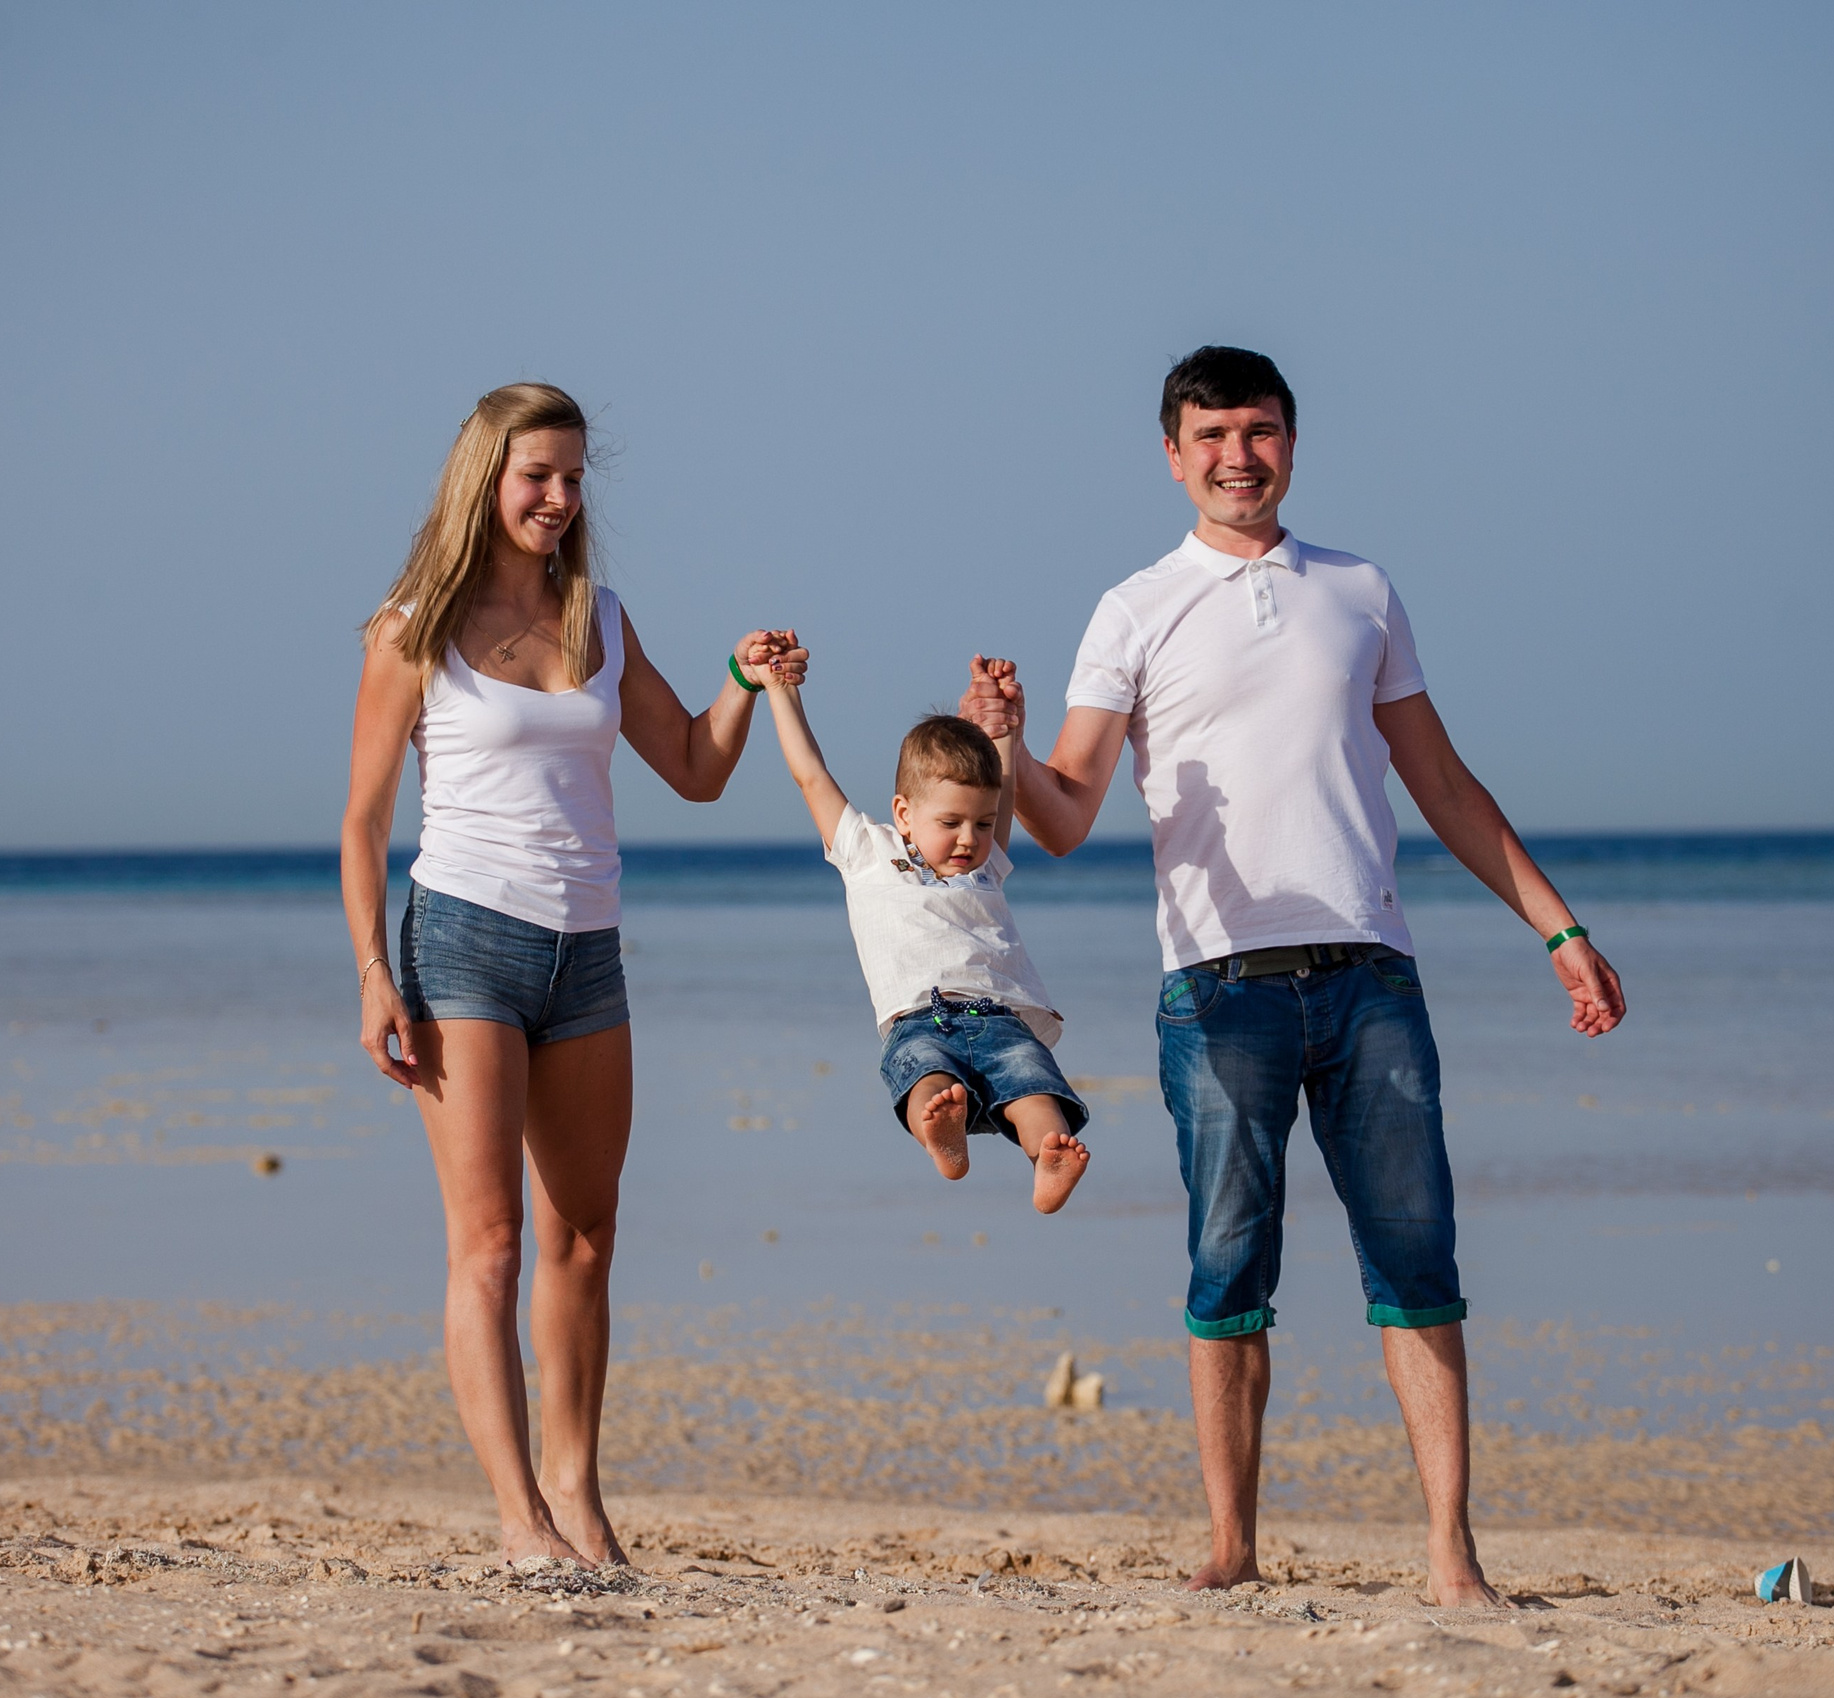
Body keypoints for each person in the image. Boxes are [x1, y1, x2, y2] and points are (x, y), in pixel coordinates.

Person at [961, 347, 1625, 1604]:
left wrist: (1558, 929)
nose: (1236, 457)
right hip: (1217, 990)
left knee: (1417, 1265)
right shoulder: (1133, 607)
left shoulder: (1360, 590)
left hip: (1373, 976)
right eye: (1210, 436)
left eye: (1258, 432)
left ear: (1291, 443)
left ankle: (1450, 1557)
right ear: (1172, 453)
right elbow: (1058, 815)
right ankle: (1231, 1549)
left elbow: (1440, 784)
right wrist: (1002, 749)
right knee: (1228, 1272)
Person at [339, 382, 807, 1571]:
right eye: (536, 475)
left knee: (585, 1235)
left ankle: (575, 1490)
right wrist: (370, 976)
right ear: (483, 480)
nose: (558, 498)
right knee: (487, 1241)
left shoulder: (601, 618)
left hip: (586, 949)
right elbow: (361, 821)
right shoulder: (414, 625)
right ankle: (515, 1517)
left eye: (573, 477)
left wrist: (745, 685)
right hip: (461, 944)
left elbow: (695, 770)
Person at [751, 655, 1091, 1212]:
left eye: (982, 825)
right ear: (904, 813)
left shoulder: (984, 867)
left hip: (1002, 1018)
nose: (969, 838)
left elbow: (1000, 787)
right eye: (951, 823)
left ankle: (1048, 1154)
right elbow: (810, 773)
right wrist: (781, 690)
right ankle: (942, 1133)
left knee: (1033, 1085)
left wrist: (1000, 717)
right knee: (924, 1079)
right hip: (920, 1020)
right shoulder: (866, 851)